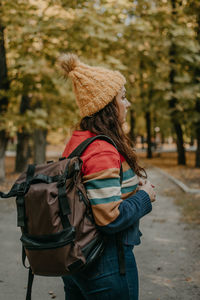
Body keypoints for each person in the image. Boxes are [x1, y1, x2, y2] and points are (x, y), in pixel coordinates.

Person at [57, 53, 156, 300]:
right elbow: (109, 219)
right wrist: (145, 196)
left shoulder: (79, 141)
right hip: (104, 263)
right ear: (107, 107)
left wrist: (131, 186)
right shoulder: (101, 148)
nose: (128, 103)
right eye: (122, 97)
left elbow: (92, 193)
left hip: (77, 258)